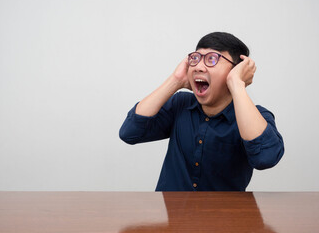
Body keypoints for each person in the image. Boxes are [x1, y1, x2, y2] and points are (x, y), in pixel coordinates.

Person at [119, 32, 284, 191]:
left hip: (225, 218)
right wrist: (175, 80)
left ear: (235, 70)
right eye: (195, 59)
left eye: (211, 59)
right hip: (173, 217)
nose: (198, 67)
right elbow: (129, 132)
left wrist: (237, 84)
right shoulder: (180, 104)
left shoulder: (256, 116)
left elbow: (265, 158)